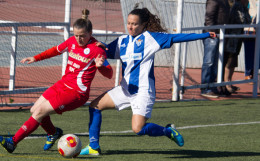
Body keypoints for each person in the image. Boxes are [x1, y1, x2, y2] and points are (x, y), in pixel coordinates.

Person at [79, 7, 217, 155]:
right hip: (125, 89)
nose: (131, 27)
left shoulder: (151, 38)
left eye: (135, 24)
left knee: (138, 129)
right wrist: (98, 48)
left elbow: (177, 37)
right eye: (129, 23)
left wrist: (204, 35)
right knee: (94, 107)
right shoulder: (122, 41)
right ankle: (94, 147)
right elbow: (104, 51)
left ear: (144, 24)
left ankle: (168, 131)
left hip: (143, 91)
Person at [0, 9, 113, 153]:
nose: (78, 39)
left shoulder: (97, 50)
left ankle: (12, 142)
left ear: (90, 33)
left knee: (38, 112)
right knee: (34, 110)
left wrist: (101, 67)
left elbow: (109, 74)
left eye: (82, 36)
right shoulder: (71, 41)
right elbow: (55, 50)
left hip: (77, 93)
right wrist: (36, 58)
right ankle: (53, 132)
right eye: (76, 35)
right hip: (62, 85)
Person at [201, 0, 230, 98]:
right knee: (209, 62)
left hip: (219, 35)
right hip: (212, 35)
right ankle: (205, 88)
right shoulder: (213, 0)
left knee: (215, 64)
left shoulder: (225, 2)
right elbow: (209, 18)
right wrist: (213, 34)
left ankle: (212, 87)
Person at [224, 0, 251, 93]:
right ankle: (226, 83)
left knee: (233, 60)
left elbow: (248, 21)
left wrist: (245, 7)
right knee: (229, 60)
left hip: (238, 36)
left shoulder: (242, 6)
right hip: (230, 37)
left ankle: (229, 82)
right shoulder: (235, 4)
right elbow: (242, 19)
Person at [244, 0, 259, 83]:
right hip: (250, 28)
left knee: (255, 52)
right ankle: (248, 74)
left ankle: (251, 74)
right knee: (249, 52)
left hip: (255, 27)